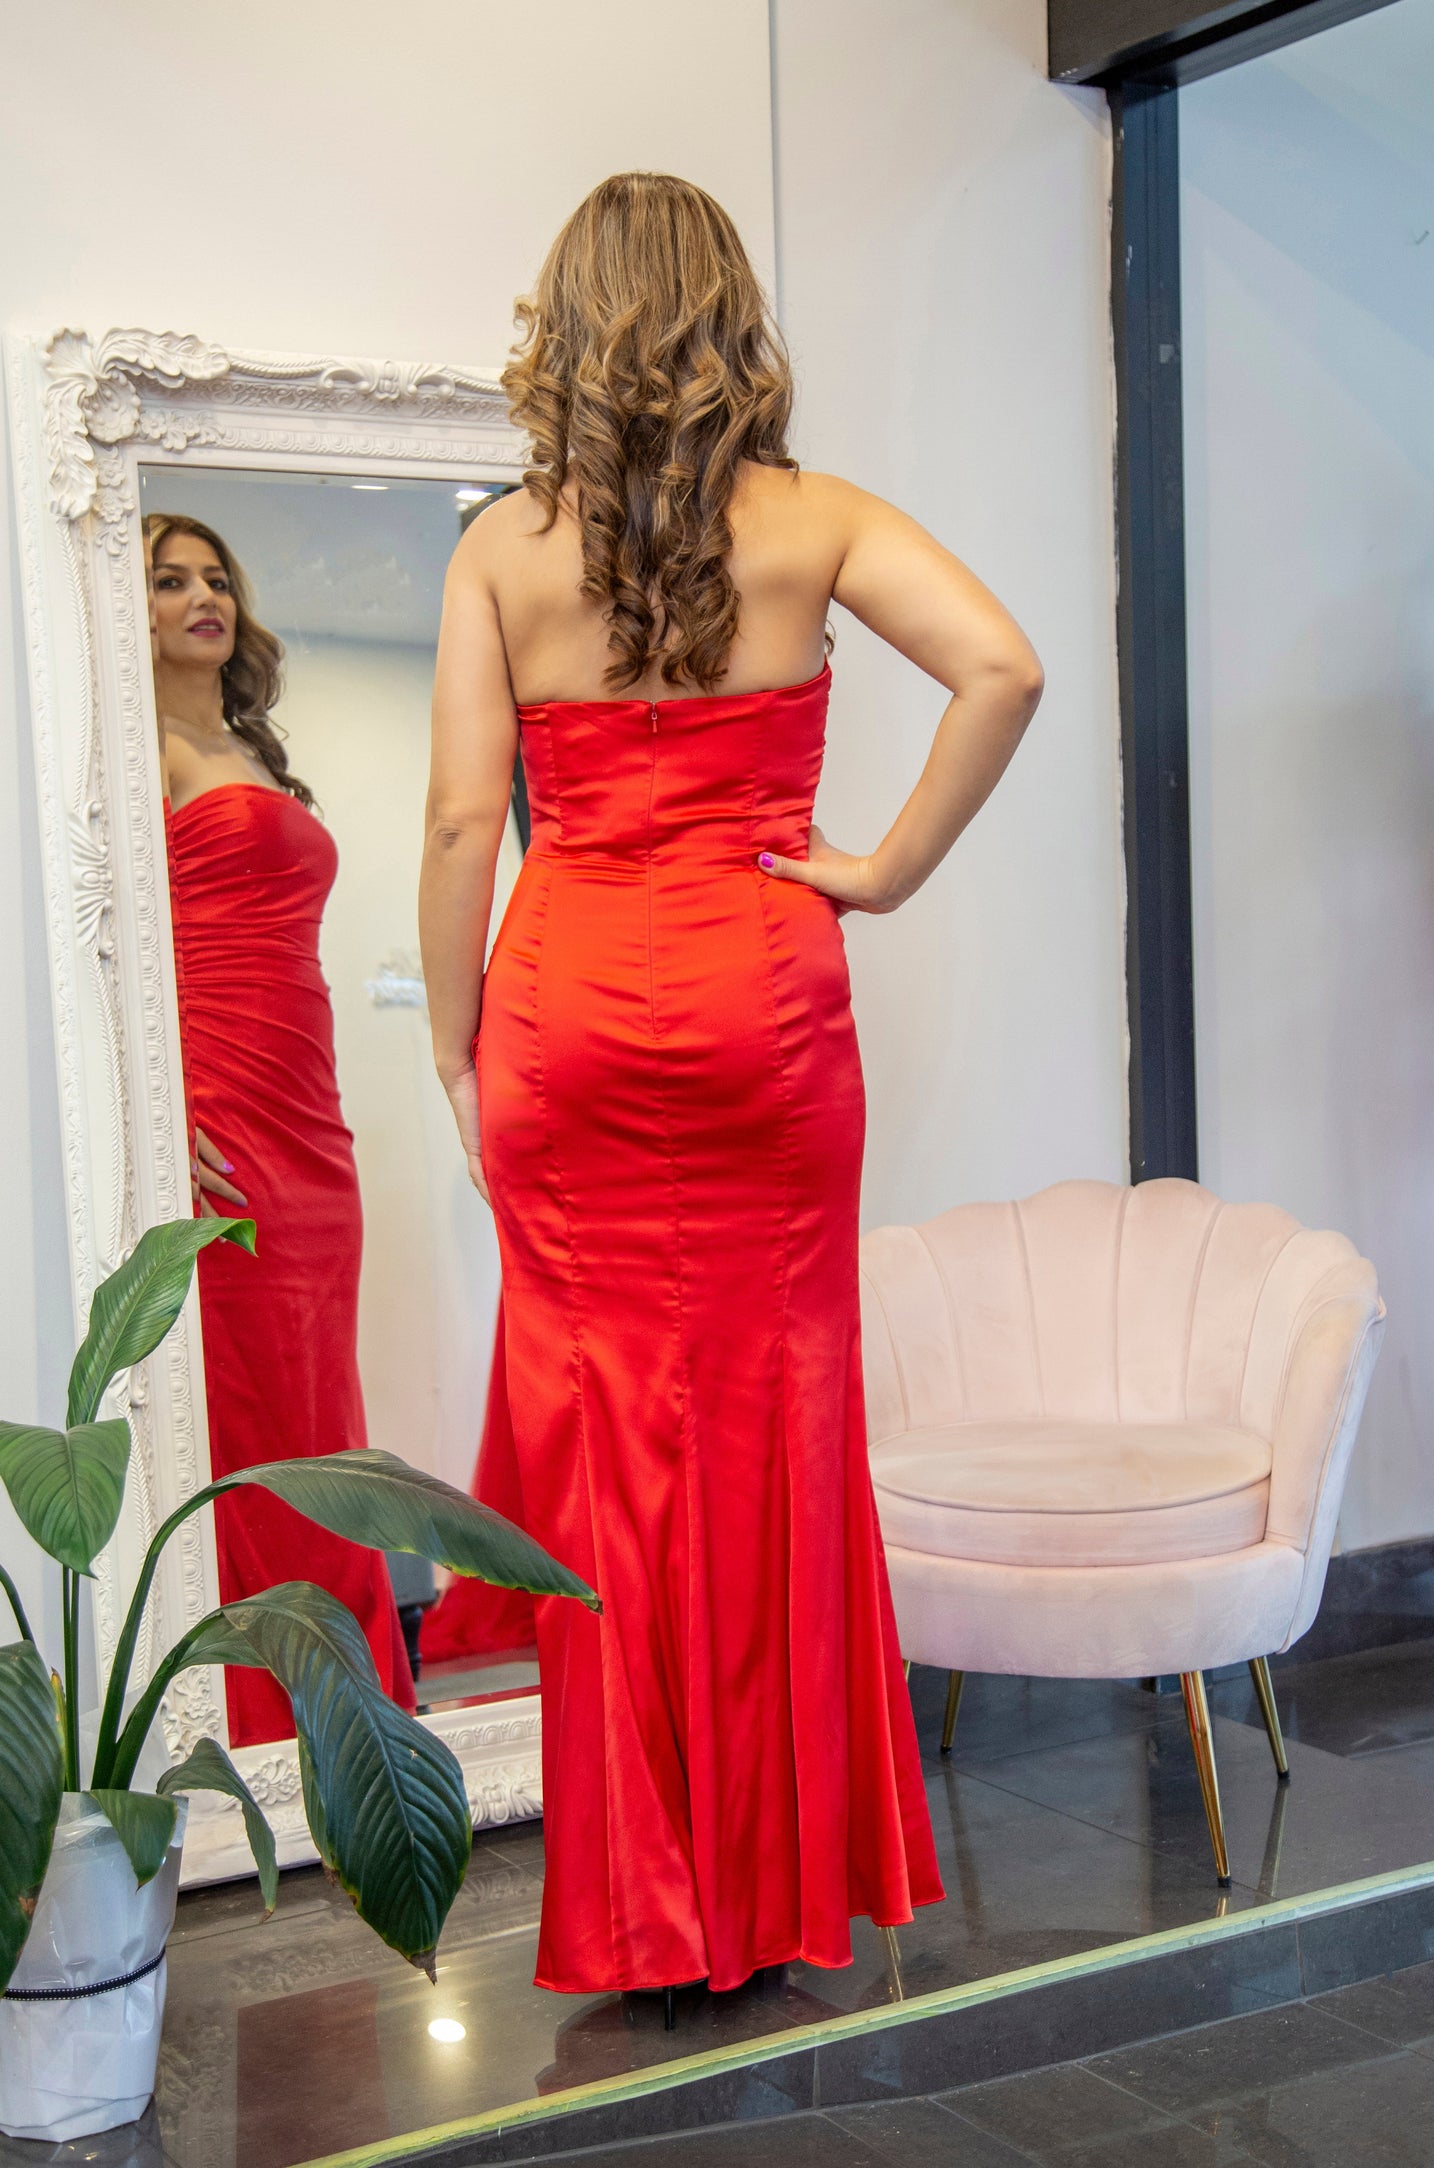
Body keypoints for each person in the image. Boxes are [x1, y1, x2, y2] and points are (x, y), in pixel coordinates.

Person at [418, 172, 1042, 2002]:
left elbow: (467, 820)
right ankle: (771, 1888)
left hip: (570, 1007)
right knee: (775, 1418)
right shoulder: (817, 516)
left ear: (566, 321)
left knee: (608, 1443)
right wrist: (887, 868)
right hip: (763, 998)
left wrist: (453, 1044)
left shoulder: (500, 552)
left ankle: (639, 1902)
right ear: (730, 314)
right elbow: (1002, 665)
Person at [147, 512, 415, 1748]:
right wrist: (152, 1106)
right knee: (253, 1415)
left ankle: (357, 1711)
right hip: (223, 1106)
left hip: (311, 1113)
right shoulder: (134, 744)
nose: (201, 596)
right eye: (166, 579)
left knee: (320, 1405)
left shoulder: (246, 744)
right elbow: (98, 946)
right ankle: (269, 1716)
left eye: (213, 578)